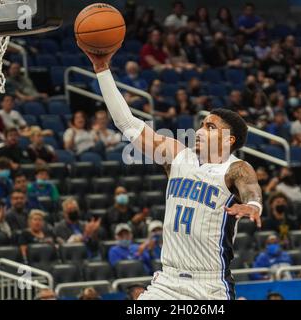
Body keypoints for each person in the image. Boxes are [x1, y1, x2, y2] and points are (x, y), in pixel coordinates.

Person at [83, 45, 263, 300]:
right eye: (201, 125)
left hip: (209, 284)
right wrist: (102, 70)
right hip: (167, 282)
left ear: (228, 139)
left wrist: (254, 205)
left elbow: (251, 188)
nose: (200, 131)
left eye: (210, 127)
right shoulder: (177, 155)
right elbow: (127, 124)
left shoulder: (235, 168)